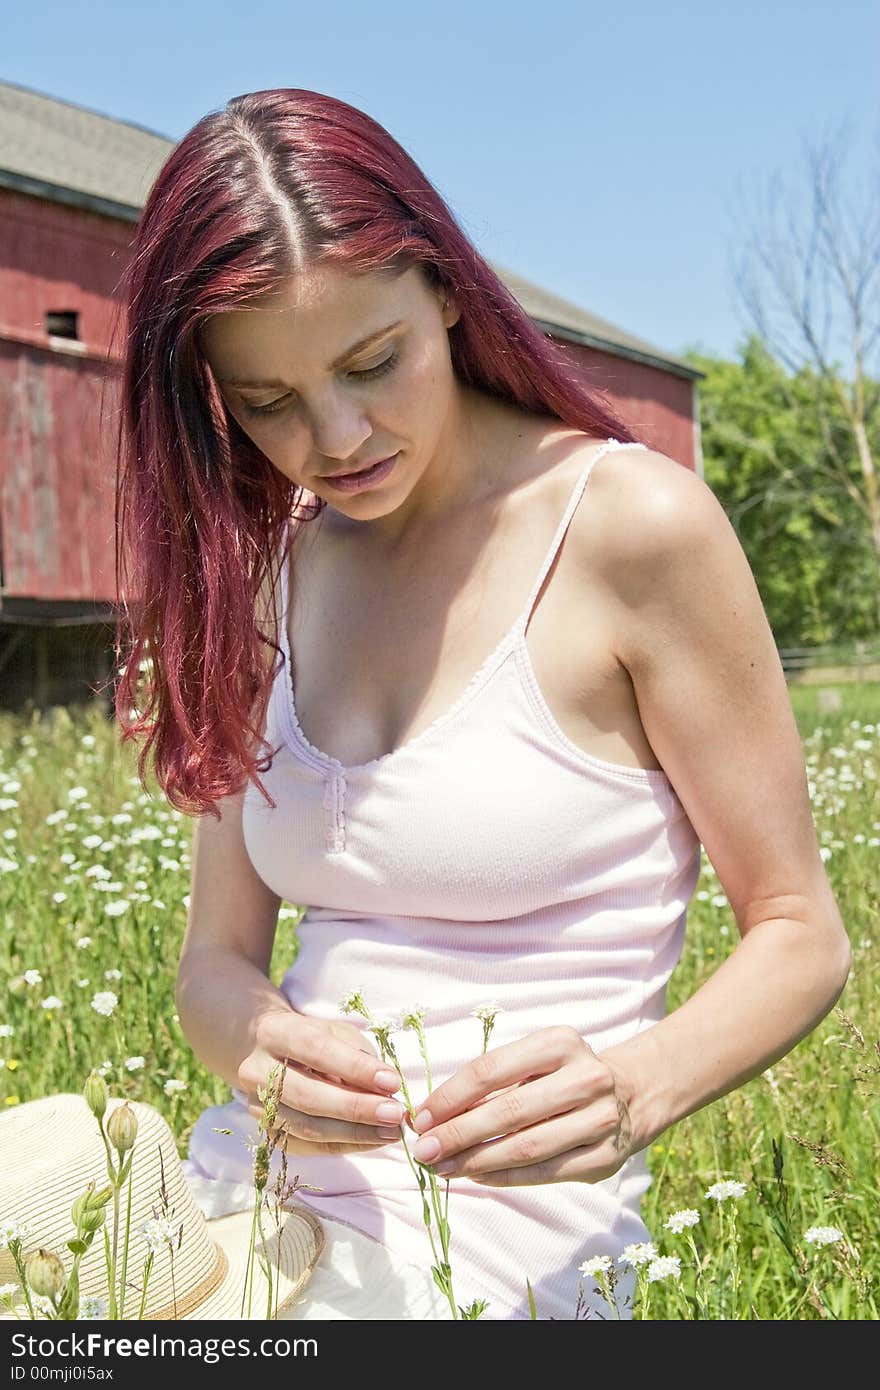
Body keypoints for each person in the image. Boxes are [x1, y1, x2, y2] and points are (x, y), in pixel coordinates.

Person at [112, 87, 851, 1321]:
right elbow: (214, 961)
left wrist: (636, 1085)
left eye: (371, 363)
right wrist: (249, 1039)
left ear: (447, 289)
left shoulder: (628, 528)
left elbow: (799, 931)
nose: (335, 437)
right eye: (268, 400)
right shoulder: (269, 569)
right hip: (245, 1200)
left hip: (492, 1252)